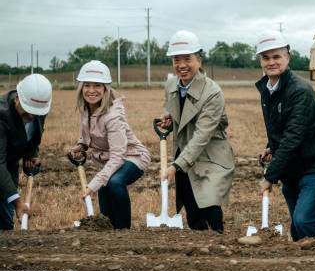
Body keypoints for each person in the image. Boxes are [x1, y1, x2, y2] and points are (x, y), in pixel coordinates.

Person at [255, 30, 315, 242]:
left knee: (304, 221)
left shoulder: (300, 90)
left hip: (314, 164)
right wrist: (271, 147)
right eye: (266, 57)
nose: (271, 62)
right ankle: (300, 268)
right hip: (291, 168)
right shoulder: (267, 88)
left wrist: (269, 176)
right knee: (297, 228)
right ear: (260, 61)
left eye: (276, 56)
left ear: (287, 57)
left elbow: (293, 137)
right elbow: (281, 126)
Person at [158, 30, 235, 232]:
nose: (181, 65)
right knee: (192, 212)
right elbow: (174, 108)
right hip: (184, 151)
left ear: (199, 60)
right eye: (176, 59)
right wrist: (168, 118)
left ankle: (218, 244)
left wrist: (175, 166)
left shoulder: (213, 93)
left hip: (209, 154)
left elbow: (202, 135)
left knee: (208, 204)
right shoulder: (171, 84)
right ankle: (200, 254)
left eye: (187, 59)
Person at [69, 60, 150, 229]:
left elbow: (118, 157)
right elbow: (87, 137)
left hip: (133, 156)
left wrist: (92, 185)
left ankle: (123, 230)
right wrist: (81, 146)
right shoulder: (86, 108)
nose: (91, 90)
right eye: (87, 85)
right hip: (112, 159)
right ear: (81, 87)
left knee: (114, 182)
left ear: (105, 88)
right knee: (105, 187)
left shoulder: (113, 117)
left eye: (97, 86)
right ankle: (108, 229)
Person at [0, 74, 52, 230]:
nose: (31, 116)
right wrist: (17, 202)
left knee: (5, 227)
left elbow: (32, 137)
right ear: (17, 98)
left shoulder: (38, 109)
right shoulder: (2, 115)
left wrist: (31, 156)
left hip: (8, 170)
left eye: (35, 113)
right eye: (27, 111)